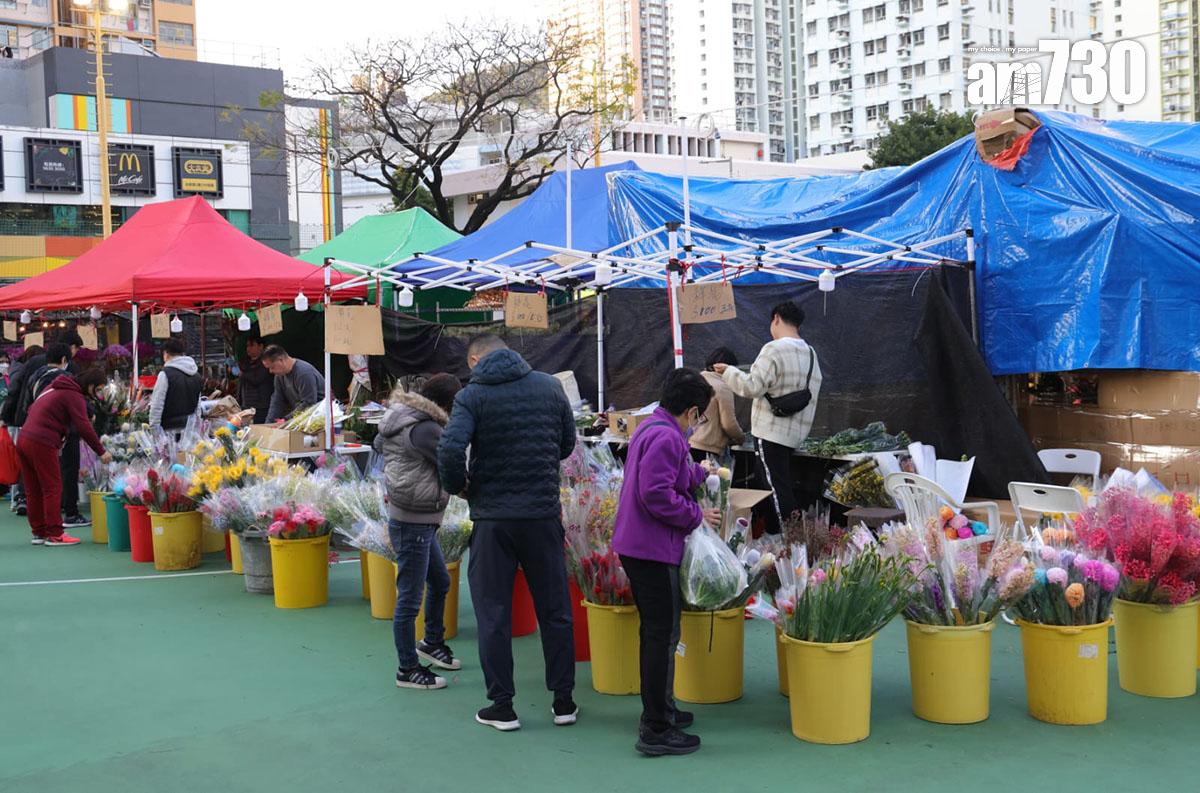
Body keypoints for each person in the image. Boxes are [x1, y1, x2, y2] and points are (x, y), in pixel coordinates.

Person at [437, 335, 577, 733]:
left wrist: (462, 486)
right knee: (555, 611)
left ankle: (503, 706)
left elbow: (449, 450)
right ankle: (563, 701)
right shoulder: (550, 386)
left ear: (478, 359)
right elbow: (567, 443)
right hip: (542, 514)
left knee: (493, 612)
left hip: (493, 519)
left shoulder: (473, 395)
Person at [612, 368, 721, 757]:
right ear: (692, 411)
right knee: (661, 636)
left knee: (662, 633)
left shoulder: (654, 428)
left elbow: (671, 473)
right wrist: (696, 516)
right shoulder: (666, 437)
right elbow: (655, 493)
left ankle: (663, 708)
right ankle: (655, 727)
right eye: (701, 416)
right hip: (650, 549)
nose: (698, 423)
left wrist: (697, 472)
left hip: (642, 545)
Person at [377, 373, 464, 690]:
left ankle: (431, 642)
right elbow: (453, 462)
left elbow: (379, 443)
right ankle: (407, 668)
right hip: (413, 519)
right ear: (447, 403)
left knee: (440, 581)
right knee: (410, 600)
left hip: (416, 517)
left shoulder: (404, 416)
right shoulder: (426, 427)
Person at [713, 301, 822, 533]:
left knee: (775, 490)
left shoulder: (773, 349)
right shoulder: (810, 353)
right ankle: (778, 537)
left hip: (771, 431)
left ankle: (791, 541)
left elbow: (751, 387)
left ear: (776, 319)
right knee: (775, 484)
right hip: (794, 434)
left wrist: (729, 372)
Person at [17, 367, 110, 546]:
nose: (98, 393)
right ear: (89, 385)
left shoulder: (53, 387)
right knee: (52, 487)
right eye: (98, 389)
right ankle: (55, 533)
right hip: (42, 442)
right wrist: (101, 451)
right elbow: (84, 427)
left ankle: (39, 532)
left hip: (24, 438)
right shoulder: (73, 395)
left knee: (33, 489)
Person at [2, 345, 44, 516]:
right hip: (21, 421)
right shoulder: (24, 372)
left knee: (22, 460)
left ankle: (21, 497)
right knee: (23, 461)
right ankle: (21, 497)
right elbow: (13, 395)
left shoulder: (19, 371)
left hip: (18, 421)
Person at [690, 347, 746, 463]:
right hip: (707, 448)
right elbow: (729, 424)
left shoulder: (694, 381)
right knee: (709, 481)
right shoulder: (722, 387)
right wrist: (741, 438)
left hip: (686, 444)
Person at [148, 338, 202, 432]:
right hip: (190, 430)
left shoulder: (165, 374)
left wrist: (154, 430)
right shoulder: (196, 374)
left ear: (166, 353)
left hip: (169, 431)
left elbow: (157, 404)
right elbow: (198, 406)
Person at [262, 345, 325, 422]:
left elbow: (309, 403)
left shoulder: (303, 373)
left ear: (281, 360)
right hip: (304, 417)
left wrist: (286, 419)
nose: (270, 371)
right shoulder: (279, 376)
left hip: (323, 417)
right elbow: (277, 401)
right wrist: (268, 423)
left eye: (272, 367)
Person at [237, 336, 274, 424]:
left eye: (252, 345)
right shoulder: (245, 362)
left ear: (261, 346)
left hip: (261, 405)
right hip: (246, 404)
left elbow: (257, 379)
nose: (248, 349)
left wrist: (243, 374)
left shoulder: (265, 362)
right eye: (247, 346)